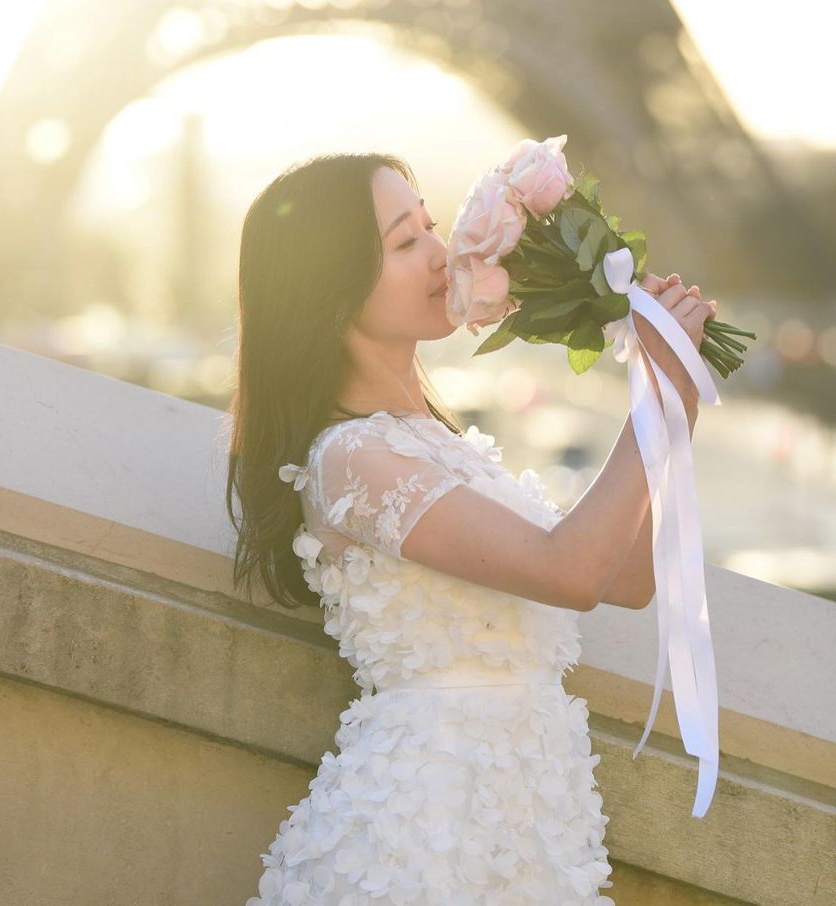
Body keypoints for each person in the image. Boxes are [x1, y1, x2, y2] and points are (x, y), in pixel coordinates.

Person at [226, 151, 716, 905]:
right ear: (329, 289)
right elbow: (573, 573)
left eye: (431, 224)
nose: (441, 252)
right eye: (403, 242)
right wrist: (653, 407)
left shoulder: (436, 444)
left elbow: (627, 579)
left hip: (522, 816)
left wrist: (661, 389)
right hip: (425, 831)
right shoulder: (354, 457)